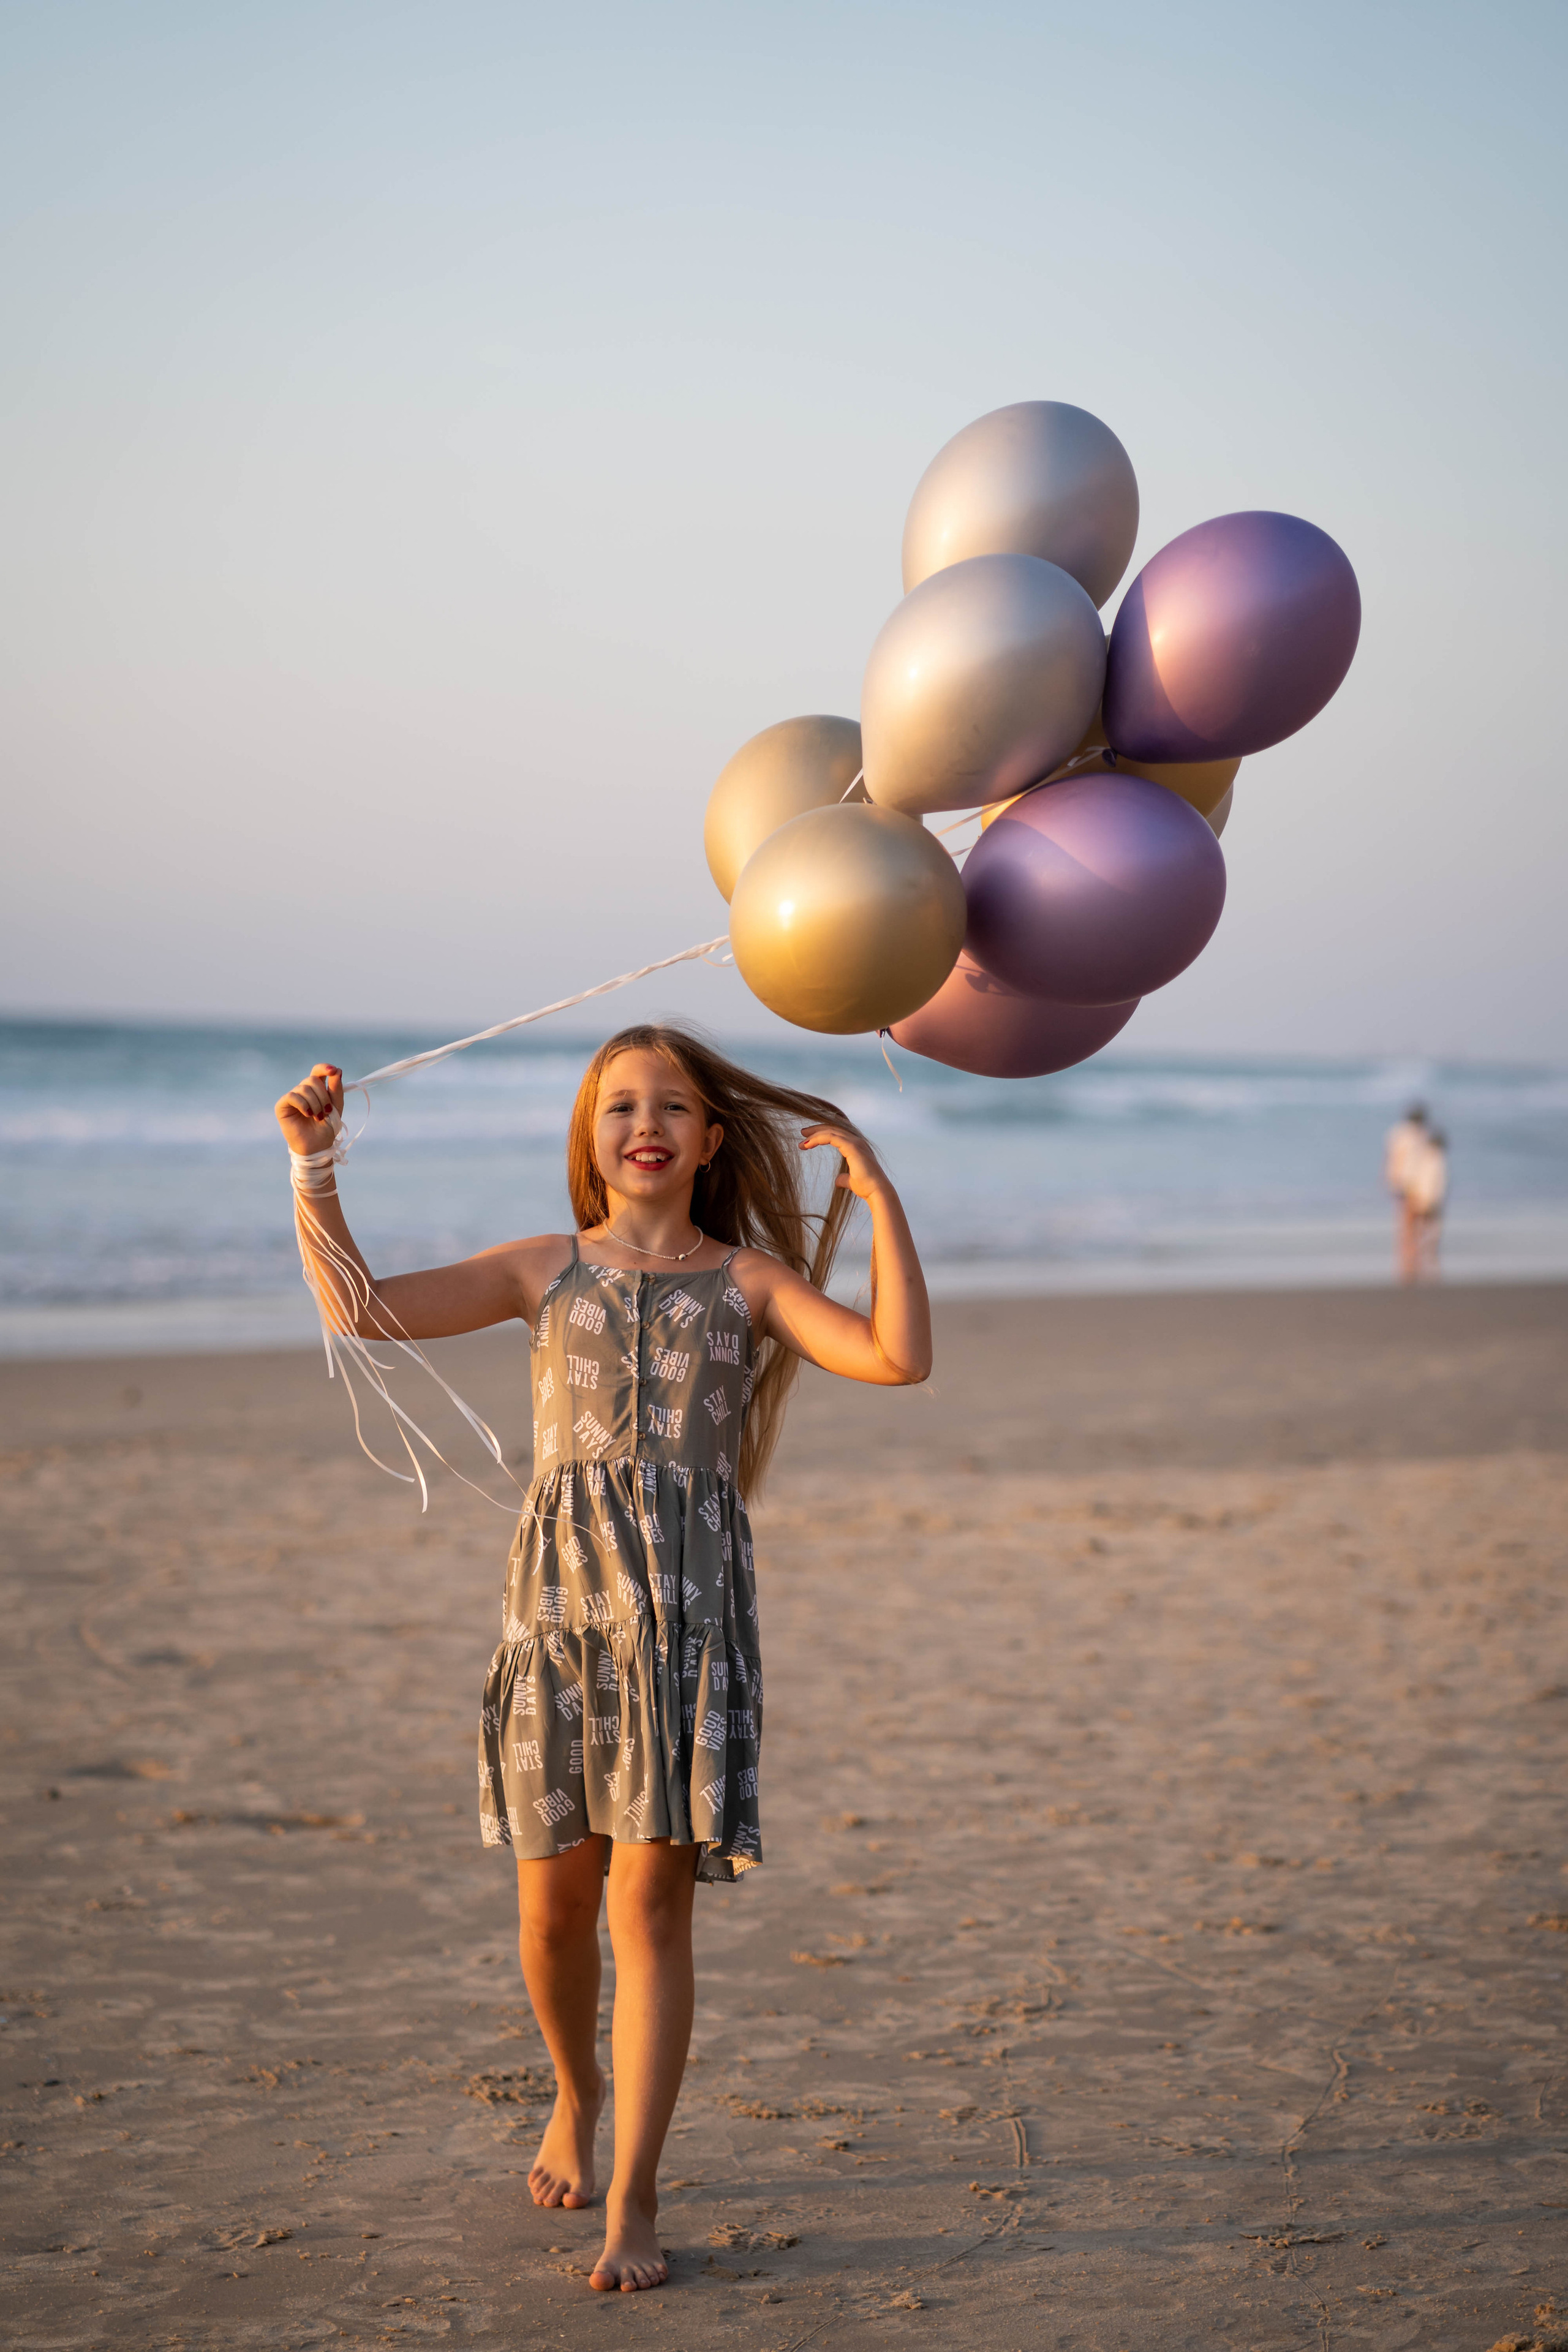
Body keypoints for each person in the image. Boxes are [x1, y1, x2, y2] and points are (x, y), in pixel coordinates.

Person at [274, 1023, 932, 2295]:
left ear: (709, 1141)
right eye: (620, 1103)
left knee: (649, 1911)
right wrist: (315, 1169)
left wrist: (880, 1199)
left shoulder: (746, 1285)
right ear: (589, 1138)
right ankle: (573, 2095)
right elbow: (361, 1312)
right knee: (551, 1906)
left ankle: (633, 2196)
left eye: (673, 1106)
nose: (646, 1122)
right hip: (557, 1627)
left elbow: (898, 1356)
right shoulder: (543, 1270)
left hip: (685, 1637)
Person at [1384, 1101, 1429, 1284]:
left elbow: (1392, 1160)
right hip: (1412, 1184)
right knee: (1412, 1225)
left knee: (1409, 1225)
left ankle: (1408, 1263)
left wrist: (1391, 1181)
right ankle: (1409, 1263)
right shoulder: (1415, 1135)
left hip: (1410, 1184)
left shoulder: (1402, 1134)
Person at [1407, 1123, 1448, 1281]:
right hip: (1430, 1202)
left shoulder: (1428, 1158)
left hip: (1424, 1200)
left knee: (1422, 1234)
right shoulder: (1436, 1160)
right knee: (1430, 1235)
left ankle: (1418, 1266)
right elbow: (1435, 1185)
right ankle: (1425, 1267)